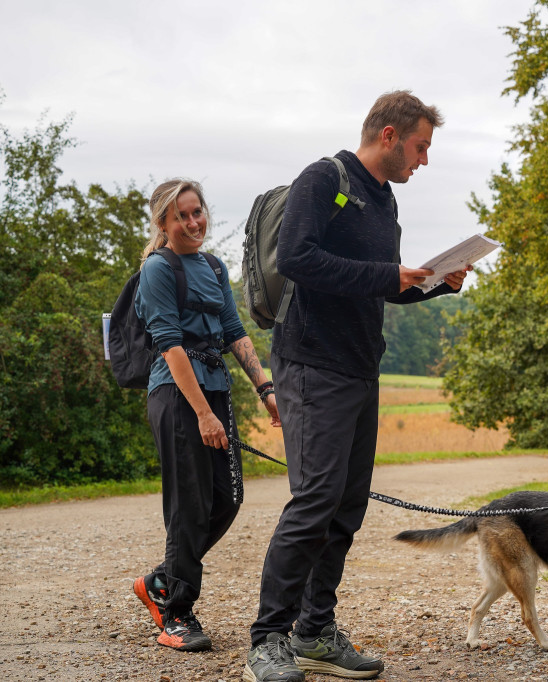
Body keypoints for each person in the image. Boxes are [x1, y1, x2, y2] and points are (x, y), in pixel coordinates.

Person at [243, 91, 469, 682]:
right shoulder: (325, 178)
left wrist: (437, 283)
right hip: (311, 363)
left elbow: (382, 286)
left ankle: (314, 631)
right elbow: (296, 258)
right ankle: (267, 640)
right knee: (314, 501)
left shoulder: (383, 200)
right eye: (420, 147)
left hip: (359, 367)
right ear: (389, 135)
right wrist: (385, 273)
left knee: (345, 508)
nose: (423, 160)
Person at [132, 179, 280, 652]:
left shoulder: (214, 266)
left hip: (215, 394)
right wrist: (201, 413)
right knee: (189, 507)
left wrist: (266, 389)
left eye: (197, 212)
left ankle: (160, 581)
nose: (194, 222)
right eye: (182, 216)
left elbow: (235, 331)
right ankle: (175, 613)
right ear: (163, 223)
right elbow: (170, 344)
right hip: (179, 398)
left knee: (227, 498)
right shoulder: (158, 269)